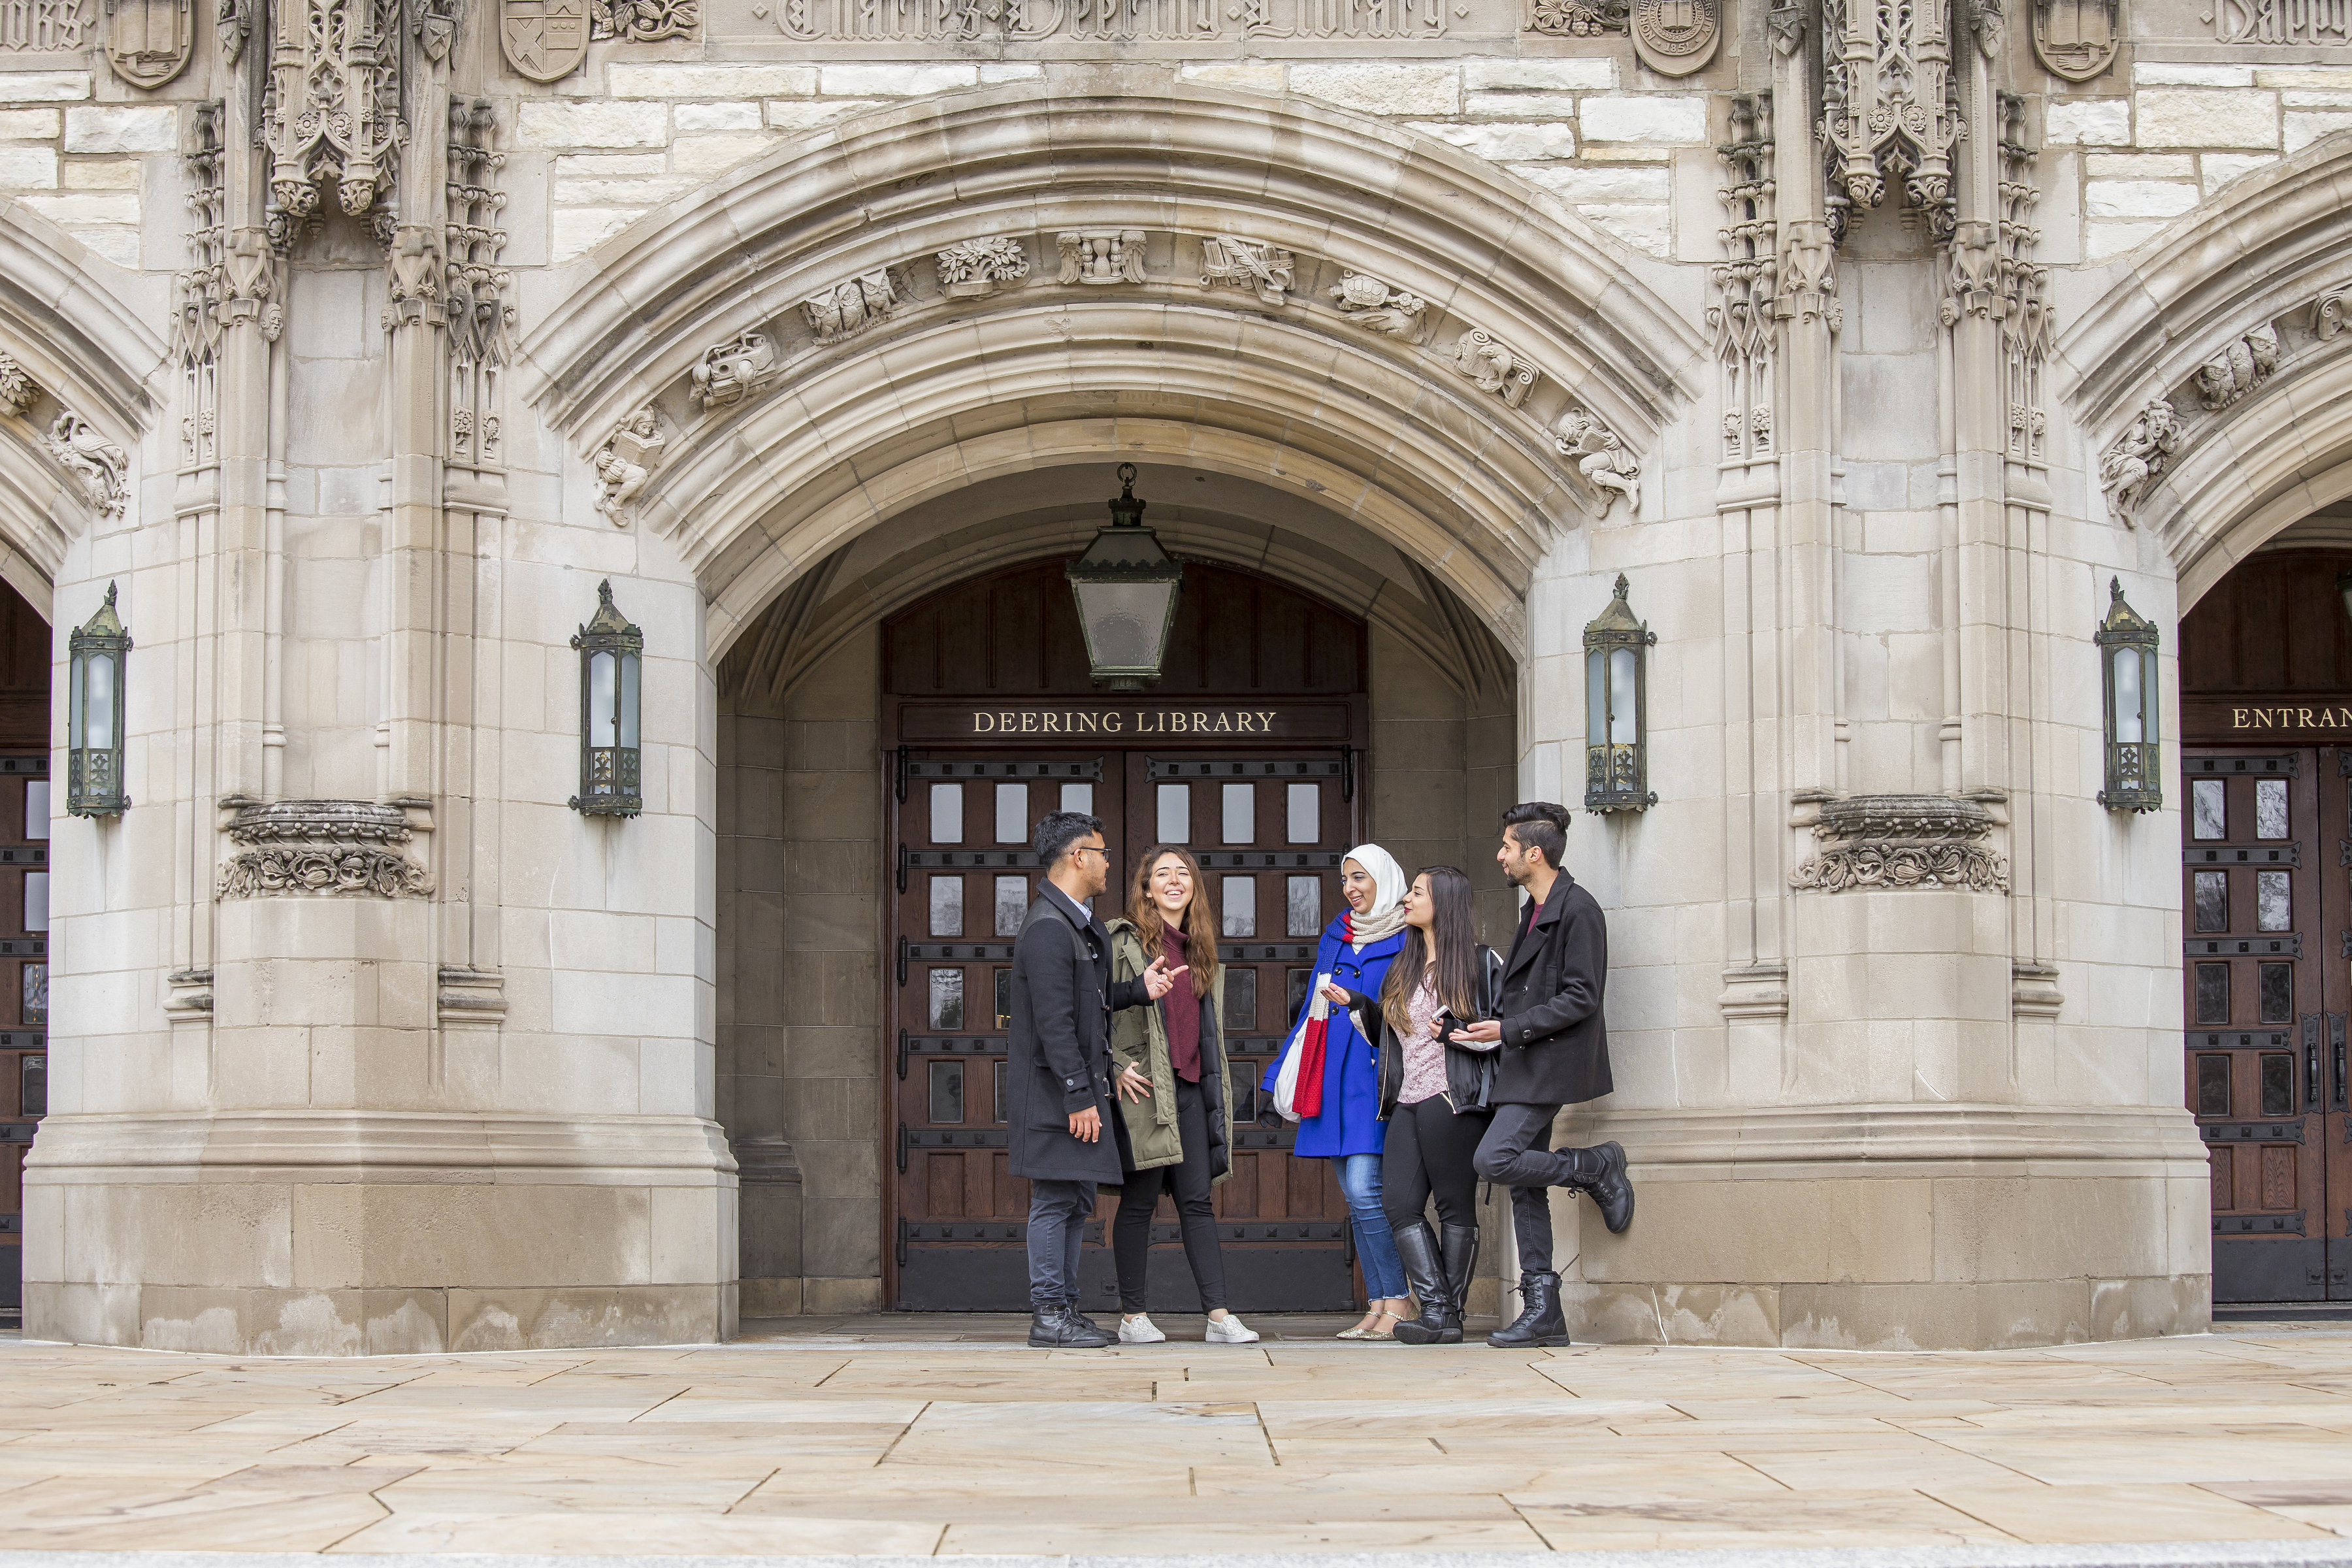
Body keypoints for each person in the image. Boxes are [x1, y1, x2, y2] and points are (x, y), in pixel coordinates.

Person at [1451, 801, 1635, 1350]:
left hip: (1550, 1063)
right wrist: (1492, 1028)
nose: (1500, 855)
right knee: (1522, 1187)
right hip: (1524, 1061)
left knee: (1494, 1159)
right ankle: (1544, 1311)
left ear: (1534, 853)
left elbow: (1583, 996)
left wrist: (1509, 1030)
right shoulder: (1533, 910)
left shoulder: (1579, 910)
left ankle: (1595, 1164)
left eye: (1507, 846)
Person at [1007, 810, 1184, 1348]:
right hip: (1060, 1097)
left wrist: (1136, 991)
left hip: (1077, 1094)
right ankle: (1048, 1316)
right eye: (1103, 854)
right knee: (1055, 1200)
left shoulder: (1075, 924)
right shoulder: (1046, 928)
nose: (1111, 864)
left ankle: (1065, 1310)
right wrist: (1080, 1097)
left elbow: (1090, 1005)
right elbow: (1054, 1025)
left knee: (1076, 1200)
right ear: (1078, 857)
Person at [1105, 846, 1260, 1345]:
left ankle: (1218, 1317)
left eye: (1183, 874)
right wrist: (1113, 1067)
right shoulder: (1122, 942)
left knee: (1198, 1203)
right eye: (1161, 874)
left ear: (1194, 885)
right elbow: (1089, 1008)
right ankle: (1133, 1317)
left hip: (1190, 1088)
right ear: (1145, 887)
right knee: (1139, 1202)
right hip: (1146, 1090)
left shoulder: (1200, 950)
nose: (1174, 881)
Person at [1337, 866, 1497, 1346]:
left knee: (1454, 1208)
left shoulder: (1479, 961)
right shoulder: (1404, 966)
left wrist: (1455, 1034)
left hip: (1453, 1098)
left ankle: (1448, 1317)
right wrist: (1360, 1005)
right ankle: (1440, 1310)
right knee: (1399, 1205)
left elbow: (1503, 1031)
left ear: (1443, 902)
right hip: (1407, 1099)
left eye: (1418, 892)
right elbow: (1394, 1035)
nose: (1407, 898)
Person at [1264, 844, 1414, 1340]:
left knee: (1368, 1192)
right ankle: (1378, 1303)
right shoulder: (1336, 935)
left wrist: (1360, 1003)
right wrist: (1280, 1073)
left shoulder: (1409, 938)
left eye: (1360, 878)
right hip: (1329, 1077)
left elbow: (1408, 1015)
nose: (1350, 888)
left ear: (1384, 880)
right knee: (1353, 1196)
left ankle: (1401, 1300)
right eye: (1346, 879)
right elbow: (1311, 1009)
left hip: (1375, 1080)